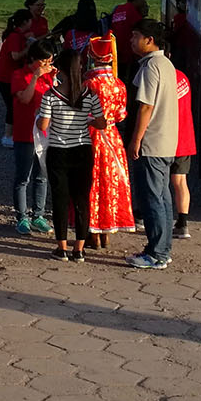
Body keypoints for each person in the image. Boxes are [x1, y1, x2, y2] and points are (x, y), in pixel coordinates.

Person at [36, 48, 107, 262]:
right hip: (83, 150)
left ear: (63, 70)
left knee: (60, 199)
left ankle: (62, 248)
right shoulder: (89, 95)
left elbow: (44, 125)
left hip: (59, 150)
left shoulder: (51, 95)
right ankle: (80, 249)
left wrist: (41, 117)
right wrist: (87, 121)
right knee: (81, 199)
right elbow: (102, 122)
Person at [126, 21, 181, 270]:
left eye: (135, 35)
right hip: (167, 141)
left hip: (152, 143)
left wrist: (136, 140)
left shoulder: (151, 67)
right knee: (163, 197)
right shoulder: (166, 64)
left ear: (149, 40)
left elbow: (145, 106)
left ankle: (157, 253)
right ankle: (162, 249)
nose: (131, 40)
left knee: (152, 199)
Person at [84, 36, 136, 249]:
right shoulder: (119, 84)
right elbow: (122, 115)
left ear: (93, 56)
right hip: (112, 137)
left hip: (90, 135)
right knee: (111, 182)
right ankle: (107, 231)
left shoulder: (89, 83)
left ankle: (92, 232)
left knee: (91, 183)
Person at [9, 39, 54, 235]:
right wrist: (35, 77)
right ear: (34, 59)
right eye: (44, 61)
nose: (46, 66)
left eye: (49, 62)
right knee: (23, 177)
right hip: (24, 134)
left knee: (42, 176)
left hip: (44, 135)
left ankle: (39, 215)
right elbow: (25, 98)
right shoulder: (19, 75)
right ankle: (21, 216)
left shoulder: (49, 78)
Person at [0, 9, 33, 148]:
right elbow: (15, 56)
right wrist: (28, 48)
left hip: (7, 76)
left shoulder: (18, 35)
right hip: (5, 77)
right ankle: (7, 135)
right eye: (30, 20)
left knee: (14, 105)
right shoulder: (15, 37)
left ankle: (12, 133)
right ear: (25, 22)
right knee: (12, 106)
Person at [171, 65, 197, 241]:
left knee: (158, 181)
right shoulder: (183, 77)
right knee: (181, 181)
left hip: (167, 136)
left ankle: (146, 217)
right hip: (185, 135)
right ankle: (182, 222)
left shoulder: (158, 76)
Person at [108, 0, 149, 64]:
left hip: (115, 50)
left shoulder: (118, 9)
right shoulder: (132, 11)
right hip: (128, 52)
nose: (144, 2)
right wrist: (143, 15)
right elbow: (143, 28)